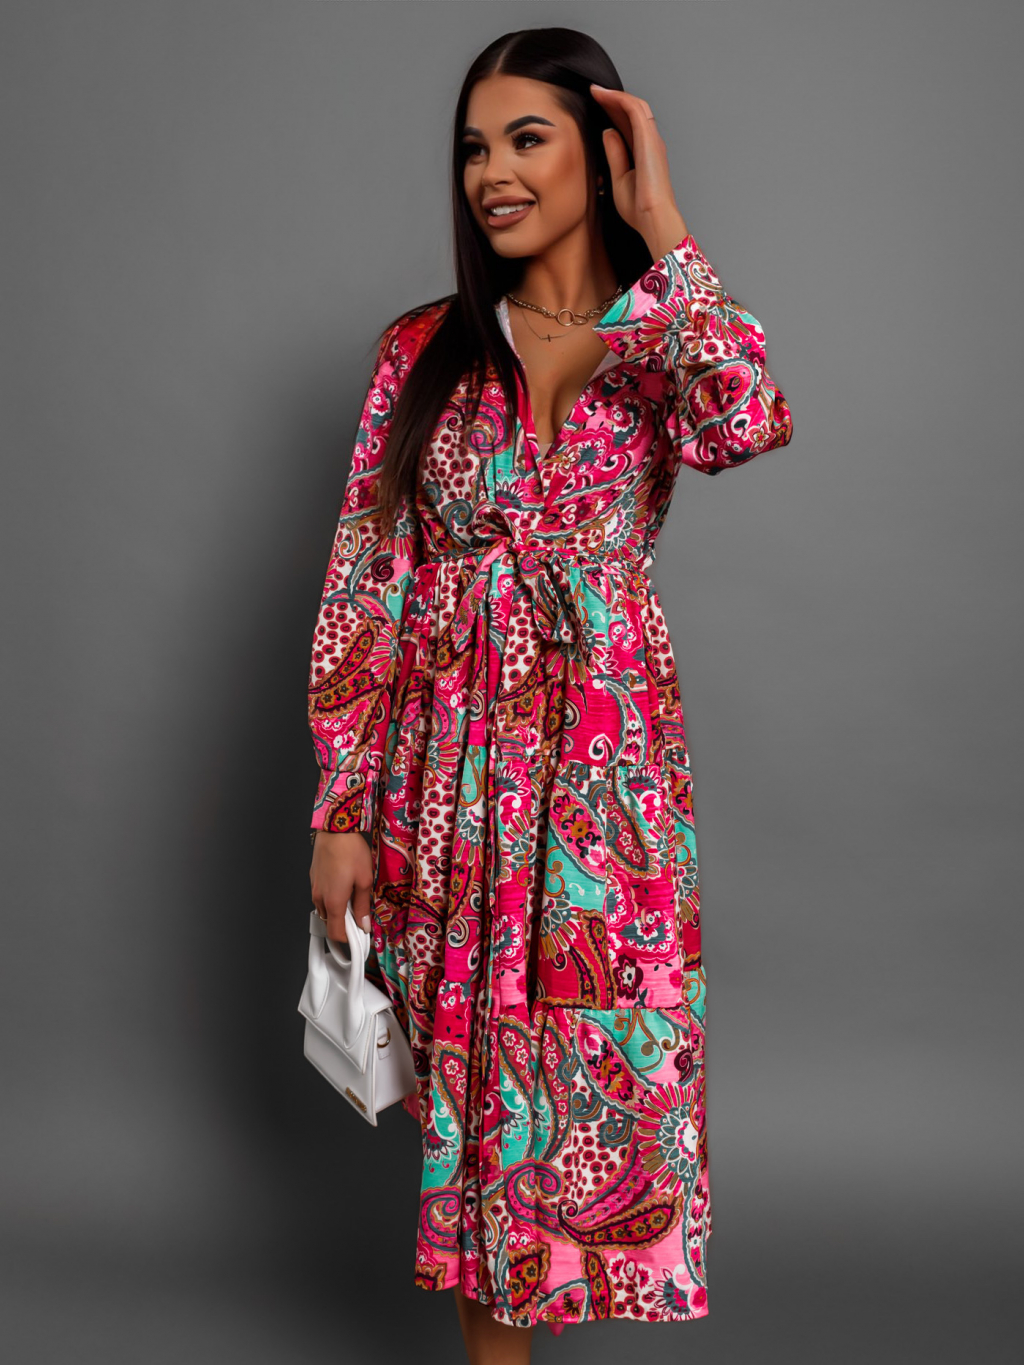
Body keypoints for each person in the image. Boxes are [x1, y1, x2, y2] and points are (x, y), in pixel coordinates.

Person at [307, 25, 793, 1363]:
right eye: (475, 147)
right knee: (474, 1098)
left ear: (603, 150)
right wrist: (339, 805)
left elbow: (749, 418)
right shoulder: (421, 349)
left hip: (605, 783)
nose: (493, 174)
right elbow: (366, 580)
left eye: (528, 139)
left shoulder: (659, 340)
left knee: (593, 1075)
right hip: (450, 772)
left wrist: (668, 227)